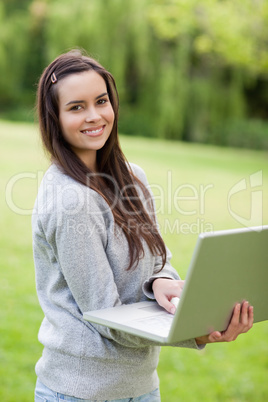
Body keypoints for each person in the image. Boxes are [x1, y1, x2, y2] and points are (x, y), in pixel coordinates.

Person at [32, 49, 253, 402]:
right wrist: (196, 332)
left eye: (101, 101)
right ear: (54, 117)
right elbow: (107, 315)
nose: (94, 116)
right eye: (76, 107)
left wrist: (163, 280)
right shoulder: (70, 201)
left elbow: (157, 259)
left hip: (142, 388)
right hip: (80, 392)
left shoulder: (133, 178)